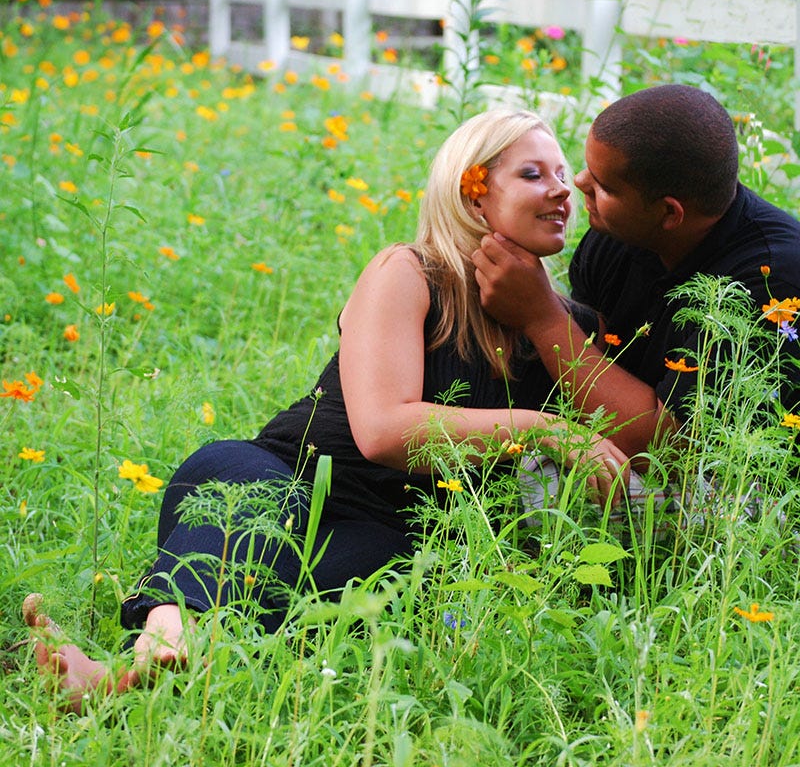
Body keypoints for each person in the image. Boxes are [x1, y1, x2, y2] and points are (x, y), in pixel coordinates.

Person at [24, 107, 629, 712]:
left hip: (400, 528)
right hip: (295, 474)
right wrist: (546, 428)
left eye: (561, 173)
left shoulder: (563, 326)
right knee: (249, 507)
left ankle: (126, 681)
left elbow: (630, 435)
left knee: (344, 593)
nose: (562, 189)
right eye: (533, 174)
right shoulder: (411, 272)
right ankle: (162, 644)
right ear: (473, 195)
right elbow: (383, 429)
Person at [472, 84, 800, 461]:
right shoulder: (616, 237)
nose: (576, 184)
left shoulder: (772, 283)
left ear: (668, 214)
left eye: (603, 185)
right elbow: (578, 369)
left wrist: (542, 318)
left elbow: (675, 449)